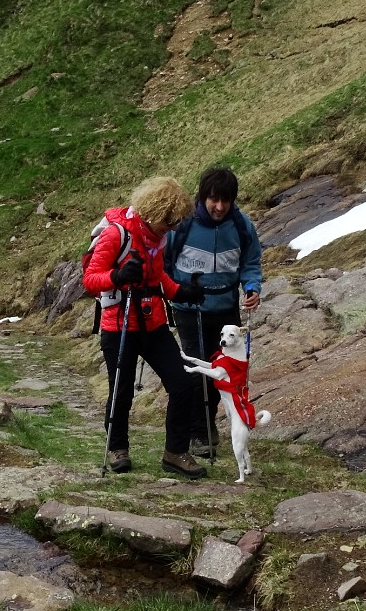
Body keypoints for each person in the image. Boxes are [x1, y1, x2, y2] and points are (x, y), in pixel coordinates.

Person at [82, 176, 208, 478]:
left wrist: (180, 291)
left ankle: (175, 453)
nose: (172, 228)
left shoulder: (157, 238)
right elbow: (90, 278)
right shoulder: (117, 235)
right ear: (153, 212)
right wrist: (117, 276)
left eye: (175, 222)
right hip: (119, 324)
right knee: (122, 391)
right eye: (168, 221)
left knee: (183, 383)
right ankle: (117, 448)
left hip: (153, 323)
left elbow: (157, 276)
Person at [166, 167, 264, 457]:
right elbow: (165, 261)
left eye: (226, 200)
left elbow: (251, 261)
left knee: (226, 374)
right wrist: (173, 291)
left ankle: (208, 426)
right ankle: (200, 433)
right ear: (202, 197)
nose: (219, 207)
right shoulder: (183, 225)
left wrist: (252, 287)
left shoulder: (241, 225)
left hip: (226, 311)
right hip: (188, 309)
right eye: (213, 200)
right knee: (200, 373)